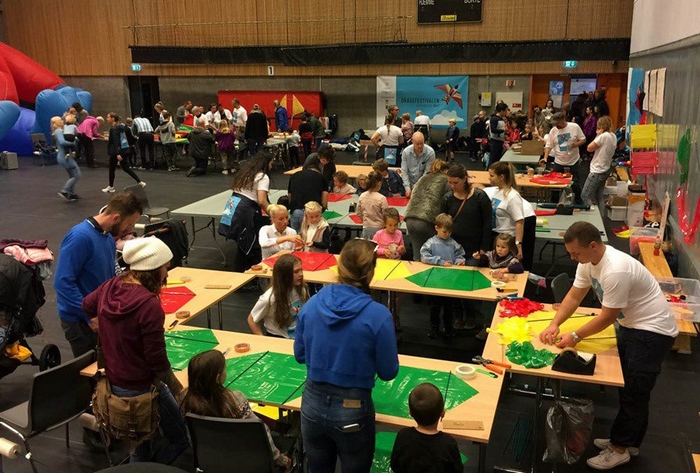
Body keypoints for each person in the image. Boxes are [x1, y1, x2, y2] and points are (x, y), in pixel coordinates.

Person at [538, 222, 678, 471]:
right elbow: (574, 295)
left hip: (651, 332)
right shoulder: (588, 262)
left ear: (593, 245)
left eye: (576, 253)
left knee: (635, 391)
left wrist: (574, 336)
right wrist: (554, 324)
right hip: (633, 325)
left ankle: (620, 449)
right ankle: (627, 441)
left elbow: (606, 317)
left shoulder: (615, 270)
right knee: (629, 389)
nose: (572, 258)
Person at [294, 238, 399, 472]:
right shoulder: (378, 316)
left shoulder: (311, 305)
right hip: (353, 410)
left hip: (311, 404)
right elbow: (388, 371)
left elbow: (300, 355)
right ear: (370, 271)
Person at [83, 238, 189, 464]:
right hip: (142, 386)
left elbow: (86, 306)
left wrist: (108, 327)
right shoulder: (149, 305)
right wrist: (179, 389)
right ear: (152, 269)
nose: (167, 275)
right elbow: (156, 359)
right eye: (165, 268)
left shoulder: (111, 285)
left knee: (140, 443)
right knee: (180, 438)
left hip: (115, 382)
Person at [54, 191, 143, 357]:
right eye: (129, 224)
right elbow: (63, 283)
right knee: (90, 372)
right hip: (81, 321)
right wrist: (89, 316)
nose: (129, 229)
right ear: (116, 218)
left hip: (99, 314)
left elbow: (110, 276)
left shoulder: (107, 238)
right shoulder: (80, 237)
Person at [181, 350, 292, 469]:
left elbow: (193, 439)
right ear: (218, 378)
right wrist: (277, 457)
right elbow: (261, 433)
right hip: (247, 462)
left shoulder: (185, 402)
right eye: (224, 369)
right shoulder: (235, 400)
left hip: (212, 462)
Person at [440, 164, 492, 330]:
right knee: (453, 284)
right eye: (450, 182)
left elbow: (487, 224)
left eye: (455, 182)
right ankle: (457, 316)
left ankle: (470, 315)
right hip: (452, 250)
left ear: (464, 179)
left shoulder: (480, 197)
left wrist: (484, 248)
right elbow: (442, 224)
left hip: (474, 250)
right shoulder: (447, 198)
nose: (452, 186)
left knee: (468, 284)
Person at [390, 383, 463, 473]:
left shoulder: (403, 435)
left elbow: (394, 464)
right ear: (443, 413)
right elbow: (458, 470)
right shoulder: (448, 443)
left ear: (410, 412)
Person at [219, 152, 272, 273]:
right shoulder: (263, 177)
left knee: (241, 243)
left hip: (233, 205)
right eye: (271, 163)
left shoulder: (245, 172)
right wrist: (273, 214)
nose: (271, 166)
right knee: (249, 244)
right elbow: (262, 201)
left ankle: (242, 274)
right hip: (245, 210)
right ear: (266, 163)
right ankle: (246, 276)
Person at [420, 213, 465, 338]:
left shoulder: (453, 243)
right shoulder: (430, 243)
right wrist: (439, 261)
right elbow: (424, 256)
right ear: (437, 228)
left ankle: (448, 328)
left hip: (450, 281)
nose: (447, 234)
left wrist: (459, 261)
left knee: (449, 307)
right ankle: (434, 328)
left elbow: (459, 254)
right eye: (445, 231)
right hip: (435, 280)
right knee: (435, 307)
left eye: (449, 232)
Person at [247, 254, 308, 338]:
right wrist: (263, 340)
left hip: (298, 335)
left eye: (301, 270)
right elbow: (251, 320)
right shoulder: (269, 298)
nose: (301, 274)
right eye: (296, 272)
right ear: (284, 275)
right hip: (279, 337)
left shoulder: (301, 289)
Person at [404, 159, 450, 261]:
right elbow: (449, 200)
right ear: (446, 171)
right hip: (426, 220)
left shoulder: (423, 178)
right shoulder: (445, 180)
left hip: (410, 219)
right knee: (431, 256)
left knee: (417, 256)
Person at [539, 112, 586, 204]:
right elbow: (549, 145)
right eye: (555, 124)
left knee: (574, 183)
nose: (556, 125)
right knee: (555, 184)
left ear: (563, 120)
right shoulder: (553, 131)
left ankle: (578, 202)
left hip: (573, 160)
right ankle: (554, 203)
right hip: (559, 161)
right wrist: (545, 157)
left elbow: (583, 139)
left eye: (558, 123)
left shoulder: (574, 127)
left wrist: (576, 144)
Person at [103, 112, 145, 193]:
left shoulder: (113, 129)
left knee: (112, 169)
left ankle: (111, 186)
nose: (107, 119)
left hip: (116, 152)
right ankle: (140, 182)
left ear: (112, 119)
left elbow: (116, 141)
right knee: (125, 167)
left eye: (108, 117)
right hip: (124, 150)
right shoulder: (123, 128)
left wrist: (117, 153)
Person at [583, 115, 617, 210]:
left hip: (597, 170)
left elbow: (589, 148)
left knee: (585, 195)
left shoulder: (603, 136)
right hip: (605, 168)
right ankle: (601, 218)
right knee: (599, 196)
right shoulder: (613, 136)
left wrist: (597, 135)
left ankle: (592, 215)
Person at [287, 159, 328, 232]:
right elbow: (324, 200)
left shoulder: (294, 176)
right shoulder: (322, 178)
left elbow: (290, 195)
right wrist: (321, 212)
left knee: (296, 238)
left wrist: (292, 208)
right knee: (311, 237)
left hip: (296, 211)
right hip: (312, 213)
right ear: (319, 170)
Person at [52, 116, 81, 202]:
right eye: (60, 120)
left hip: (65, 156)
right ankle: (65, 190)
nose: (62, 121)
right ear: (57, 123)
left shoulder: (61, 131)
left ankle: (71, 193)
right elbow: (62, 142)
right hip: (65, 157)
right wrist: (73, 142)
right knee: (77, 175)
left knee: (72, 175)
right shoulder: (58, 132)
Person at [401, 132, 436, 198]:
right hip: (409, 183)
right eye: (417, 144)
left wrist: (417, 188)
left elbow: (427, 173)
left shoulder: (430, 152)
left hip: (424, 184)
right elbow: (404, 171)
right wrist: (407, 188)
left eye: (421, 143)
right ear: (412, 142)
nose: (420, 146)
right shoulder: (406, 152)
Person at [357, 171, 388, 240]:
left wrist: (365, 220)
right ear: (379, 183)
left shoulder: (362, 196)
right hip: (379, 229)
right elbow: (386, 215)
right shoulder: (382, 198)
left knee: (366, 249)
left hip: (366, 228)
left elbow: (359, 213)